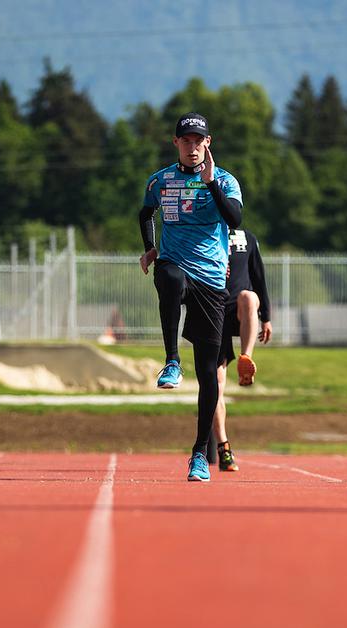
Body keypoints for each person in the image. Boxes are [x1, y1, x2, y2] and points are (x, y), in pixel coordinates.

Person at [139, 113, 243, 482]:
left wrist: (211, 183)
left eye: (198, 141)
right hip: (175, 264)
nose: (192, 146)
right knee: (167, 276)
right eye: (186, 140)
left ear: (208, 143)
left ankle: (200, 452)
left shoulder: (226, 180)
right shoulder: (161, 180)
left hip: (212, 281)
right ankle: (170, 361)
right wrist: (151, 248)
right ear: (176, 143)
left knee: (210, 374)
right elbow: (145, 213)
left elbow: (234, 219)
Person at [206, 227, 272, 472]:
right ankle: (224, 447)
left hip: (239, 310)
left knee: (248, 297)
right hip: (213, 310)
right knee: (215, 384)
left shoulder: (247, 238)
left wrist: (266, 317)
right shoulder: (204, 232)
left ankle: (247, 358)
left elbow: (259, 277)